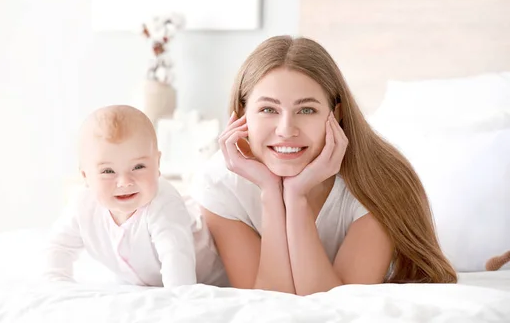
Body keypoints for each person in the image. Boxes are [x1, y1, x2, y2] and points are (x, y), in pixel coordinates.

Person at [190, 35, 457, 296]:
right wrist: (271, 193)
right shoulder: (220, 183)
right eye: (268, 110)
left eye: (306, 110)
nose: (285, 130)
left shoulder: (380, 182)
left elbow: (336, 308)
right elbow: (269, 304)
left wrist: (296, 197)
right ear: (241, 112)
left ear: (336, 114)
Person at [44, 105, 225, 287]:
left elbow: (176, 257)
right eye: (108, 171)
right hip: (142, 281)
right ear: (85, 176)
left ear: (157, 163)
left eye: (138, 167)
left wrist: (176, 300)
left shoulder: (163, 203)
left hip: (211, 273)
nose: (125, 182)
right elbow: (59, 246)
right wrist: (57, 284)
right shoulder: (83, 206)